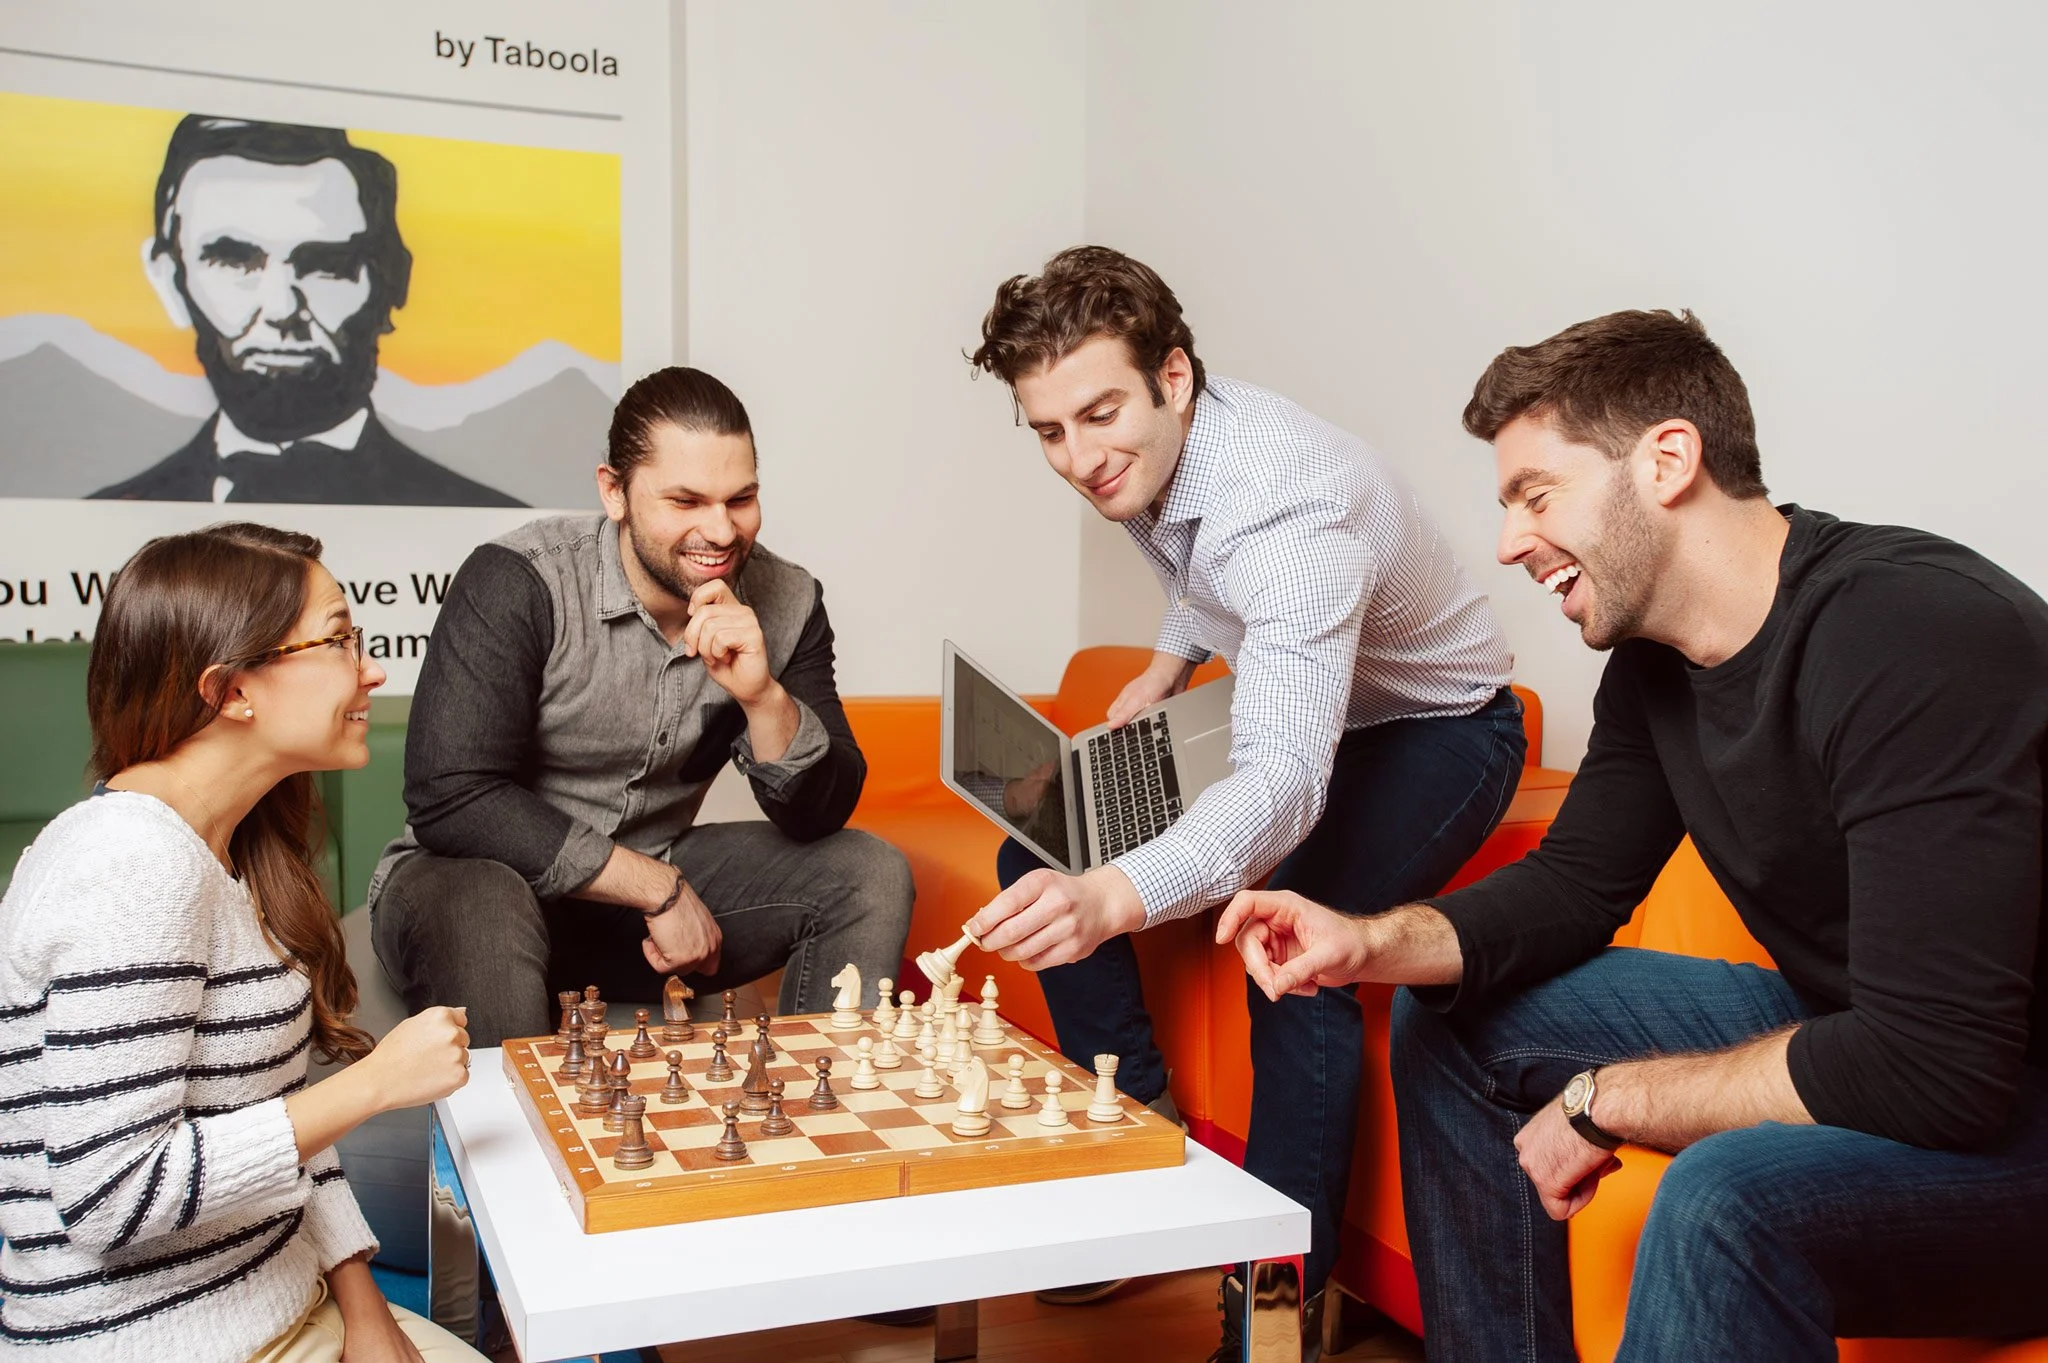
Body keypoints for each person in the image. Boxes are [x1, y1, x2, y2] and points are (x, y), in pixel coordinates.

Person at [1219, 310, 2048, 1360]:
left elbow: (1935, 1068)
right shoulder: (1658, 668)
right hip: (1883, 1028)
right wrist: (1367, 944)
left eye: (1535, 494)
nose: (1508, 541)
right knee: (1449, 1012)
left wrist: (1605, 1097)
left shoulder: (1910, 637)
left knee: (1719, 1199)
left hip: (2002, 1098)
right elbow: (1572, 886)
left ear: (1666, 460)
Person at [962, 246, 1525, 1348]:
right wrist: (1169, 663)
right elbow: (1195, 571)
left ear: (1173, 375)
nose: (1078, 457)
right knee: (1036, 851)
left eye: (1098, 413)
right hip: (1291, 702)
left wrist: (1116, 898)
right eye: (1048, 430)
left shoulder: (1286, 506)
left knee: (1295, 954)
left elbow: (1282, 778)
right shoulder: (1157, 450)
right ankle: (1143, 1125)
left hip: (1436, 732)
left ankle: (1272, 1315)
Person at [0, 523, 480, 1361]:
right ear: (232, 691)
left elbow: (277, 1130)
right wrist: (371, 1085)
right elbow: (111, 1197)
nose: (370, 668)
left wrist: (365, 1312)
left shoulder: (233, 848)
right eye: (337, 638)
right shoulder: (131, 863)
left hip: (289, 1309)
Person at [368, 366, 914, 1047]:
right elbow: (451, 795)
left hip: (636, 914)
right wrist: (655, 886)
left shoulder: (788, 599)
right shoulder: (520, 579)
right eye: (685, 501)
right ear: (614, 492)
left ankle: (813, 1111)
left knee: (869, 872)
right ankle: (530, 1149)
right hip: (476, 890)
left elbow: (822, 814)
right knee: (487, 903)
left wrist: (762, 697)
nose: (720, 530)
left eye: (739, 499)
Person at [92, 115, 523, 507]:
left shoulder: (499, 530)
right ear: (170, 279)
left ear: (393, 280)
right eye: (234, 260)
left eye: (327, 266)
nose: (282, 308)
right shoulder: (110, 516)